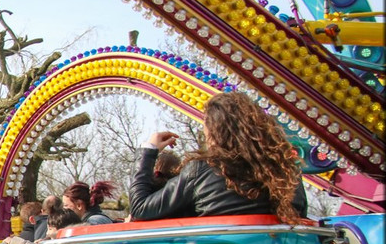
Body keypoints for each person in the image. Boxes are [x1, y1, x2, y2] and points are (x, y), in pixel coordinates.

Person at [129, 92, 307, 222]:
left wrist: (148, 150)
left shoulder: (200, 170)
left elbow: (140, 207)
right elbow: (300, 217)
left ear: (215, 132)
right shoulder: (286, 169)